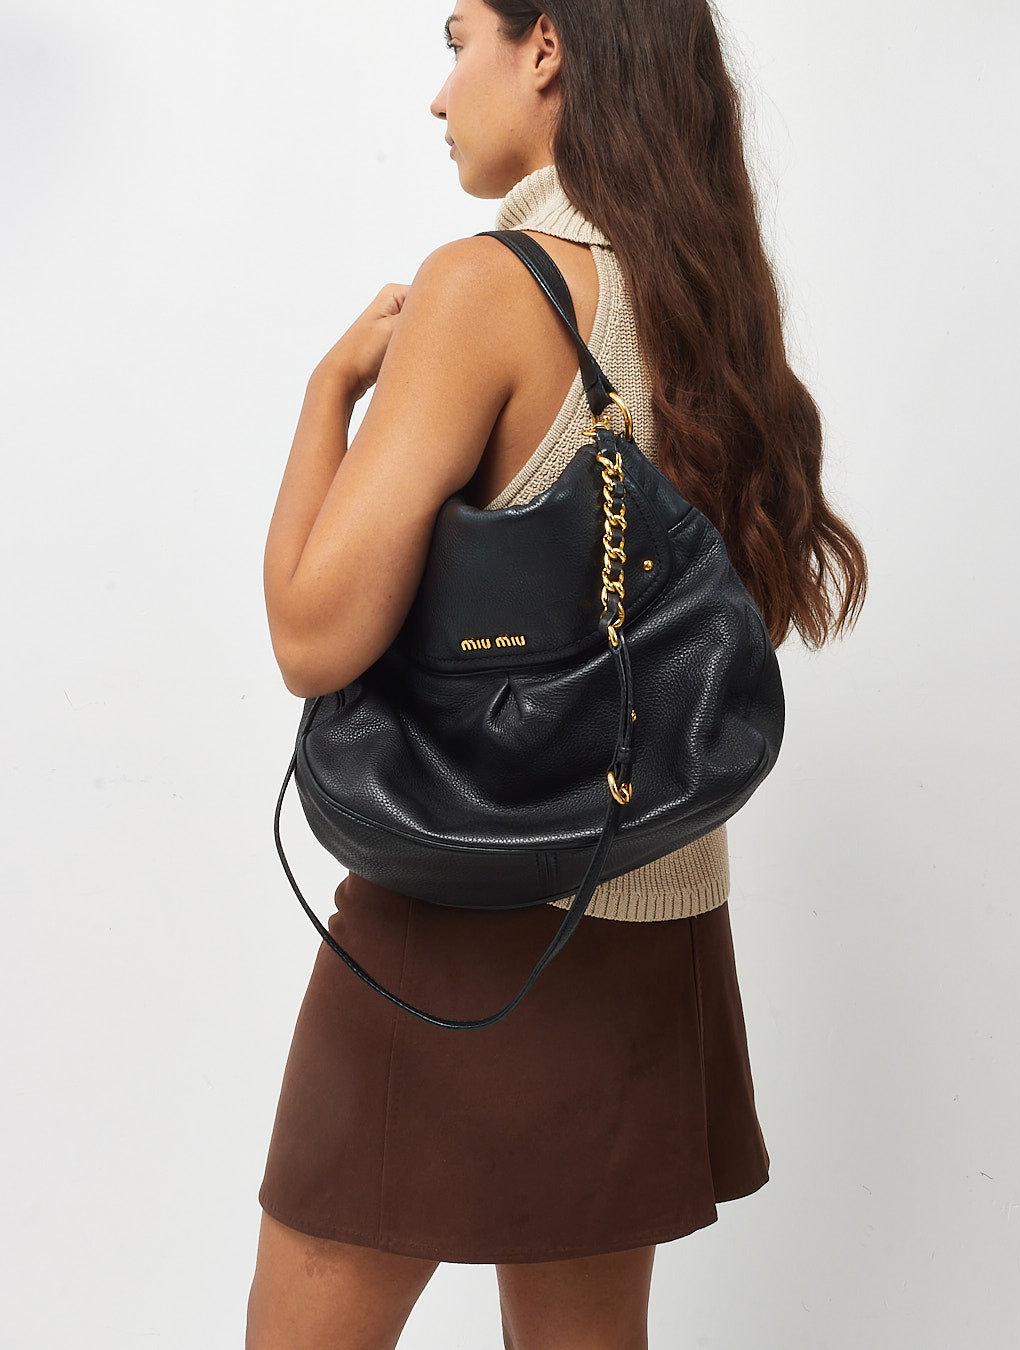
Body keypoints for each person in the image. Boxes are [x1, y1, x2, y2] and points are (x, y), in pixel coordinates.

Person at [247, 2, 868, 1346]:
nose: (439, 94)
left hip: (468, 908)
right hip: (651, 907)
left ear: (546, 49)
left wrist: (327, 390)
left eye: (456, 39)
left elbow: (312, 635)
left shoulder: (490, 286)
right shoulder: (709, 302)